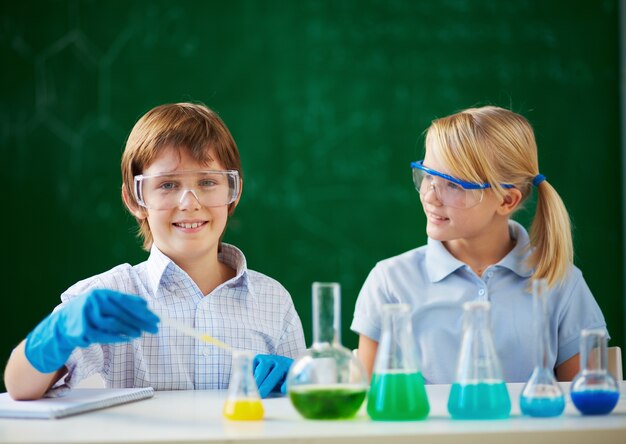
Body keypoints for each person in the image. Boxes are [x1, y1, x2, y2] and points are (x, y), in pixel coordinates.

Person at [4, 102, 305, 400]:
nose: (189, 203)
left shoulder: (272, 301)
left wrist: (300, 380)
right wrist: (57, 332)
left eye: (208, 182)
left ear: (231, 192)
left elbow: (308, 411)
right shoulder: (110, 300)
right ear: (135, 200)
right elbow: (19, 386)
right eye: (168, 185)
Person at [351, 105, 608, 384]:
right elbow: (369, 411)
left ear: (507, 200)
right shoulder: (390, 282)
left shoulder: (561, 283)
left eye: (454, 185)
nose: (430, 196)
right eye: (427, 175)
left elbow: (584, 411)